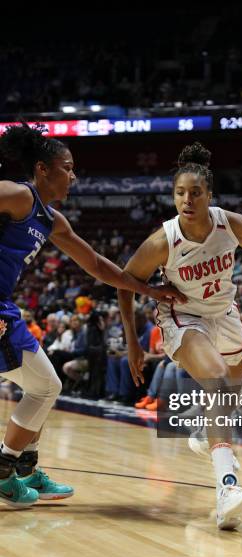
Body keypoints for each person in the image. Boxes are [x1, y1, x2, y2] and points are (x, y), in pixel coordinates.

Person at [118, 142, 242, 530]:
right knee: (217, 381)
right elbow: (126, 282)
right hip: (183, 316)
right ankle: (227, 488)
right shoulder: (163, 240)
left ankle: (207, 436)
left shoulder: (230, 223)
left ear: (209, 195)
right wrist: (133, 342)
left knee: (228, 394)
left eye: (195, 192)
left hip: (224, 313)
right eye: (179, 193)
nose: (186, 200)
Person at [0, 122, 184, 508]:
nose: (73, 175)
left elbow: (98, 266)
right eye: (67, 167)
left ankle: (26, 472)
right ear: (42, 169)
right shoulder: (17, 195)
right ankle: (4, 473)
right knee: (47, 388)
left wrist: (148, 289)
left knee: (44, 387)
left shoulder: (51, 219)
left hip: (5, 307)